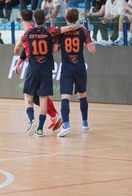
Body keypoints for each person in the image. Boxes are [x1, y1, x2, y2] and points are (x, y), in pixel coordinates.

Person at [14, 9, 81, 137]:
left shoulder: (29, 32)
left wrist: (18, 51)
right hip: (46, 69)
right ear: (45, 20)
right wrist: (78, 26)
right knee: (43, 98)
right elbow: (65, 29)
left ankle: (32, 119)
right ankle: (40, 129)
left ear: (34, 20)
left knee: (28, 95)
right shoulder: (50, 31)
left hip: (33, 68)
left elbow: (18, 46)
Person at [53, 8, 96, 137]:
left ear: (66, 18)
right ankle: (84, 124)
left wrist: (60, 45)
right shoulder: (83, 30)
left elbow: (54, 50)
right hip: (80, 67)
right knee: (82, 95)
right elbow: (92, 50)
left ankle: (66, 126)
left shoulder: (60, 32)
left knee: (65, 97)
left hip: (67, 68)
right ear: (77, 18)